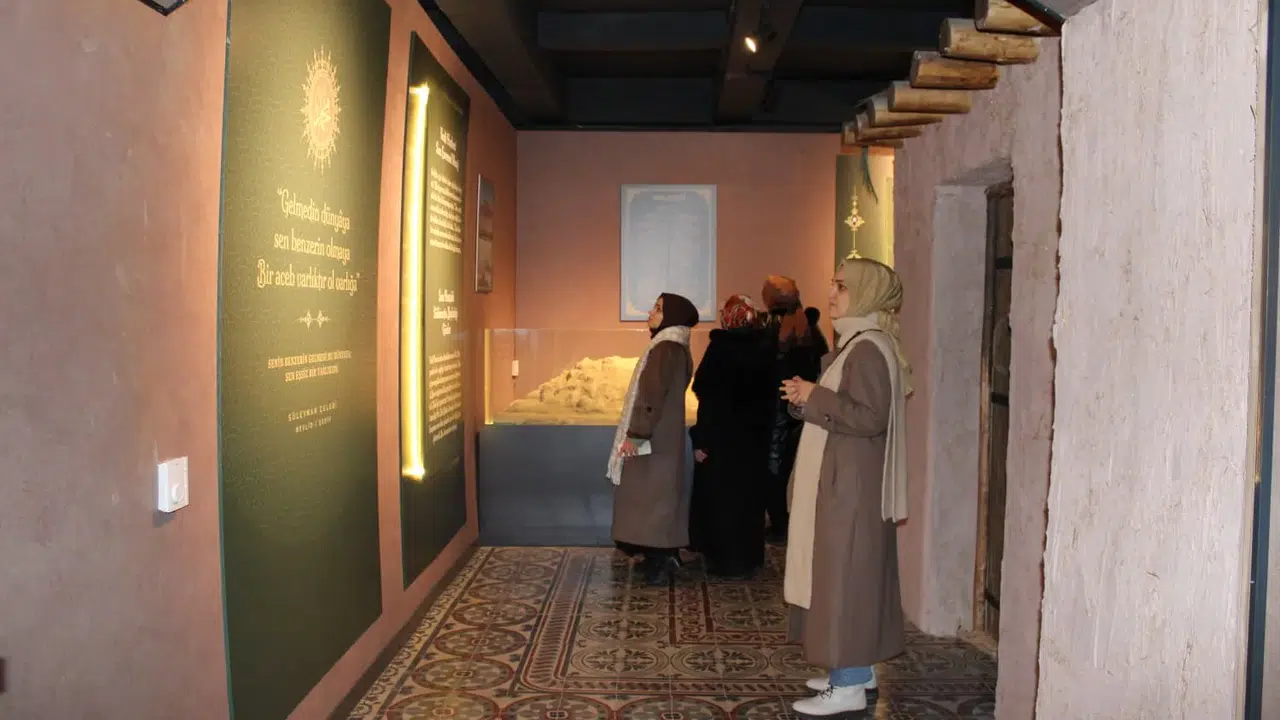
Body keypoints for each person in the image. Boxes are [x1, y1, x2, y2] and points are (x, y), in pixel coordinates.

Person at [778, 258, 912, 716]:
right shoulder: (859, 342)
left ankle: (848, 683)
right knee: (847, 580)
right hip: (847, 482)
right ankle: (857, 669)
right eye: (832, 284)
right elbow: (846, 408)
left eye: (842, 286)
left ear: (867, 292)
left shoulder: (868, 349)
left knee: (845, 583)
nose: (831, 294)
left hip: (850, 488)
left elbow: (870, 417)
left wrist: (814, 396)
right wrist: (807, 398)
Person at [608, 292, 700, 585]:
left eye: (659, 309)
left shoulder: (664, 348)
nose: (651, 312)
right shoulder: (677, 346)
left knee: (648, 500)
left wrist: (635, 436)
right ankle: (660, 554)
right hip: (663, 439)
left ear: (671, 316)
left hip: (651, 439)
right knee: (660, 498)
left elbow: (650, 397)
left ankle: (658, 559)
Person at [687, 295, 773, 579]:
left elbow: (709, 398)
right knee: (749, 501)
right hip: (753, 442)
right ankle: (748, 558)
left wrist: (700, 439)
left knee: (723, 502)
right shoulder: (764, 347)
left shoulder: (720, 349)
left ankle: (726, 560)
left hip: (722, 442)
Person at [760, 275, 826, 542]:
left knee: (774, 473)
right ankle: (784, 524)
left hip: (776, 411)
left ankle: (780, 525)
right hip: (801, 411)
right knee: (789, 472)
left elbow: (762, 371)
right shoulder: (809, 328)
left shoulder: (771, 329)